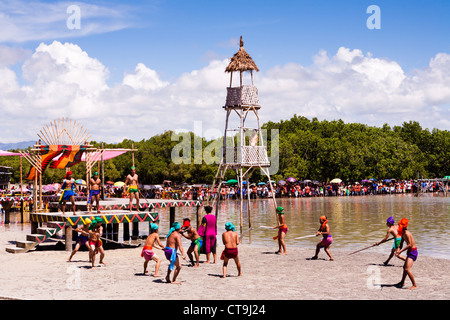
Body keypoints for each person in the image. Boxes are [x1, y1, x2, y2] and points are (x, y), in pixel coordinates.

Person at [395, 218, 418, 290]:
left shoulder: (407, 233)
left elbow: (409, 245)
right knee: (404, 268)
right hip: (409, 252)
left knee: (407, 269)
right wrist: (398, 249)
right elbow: (401, 243)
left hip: (413, 252)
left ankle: (414, 285)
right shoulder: (402, 233)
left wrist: (400, 251)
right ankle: (402, 282)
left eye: (400, 225)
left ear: (404, 226)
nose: (398, 227)